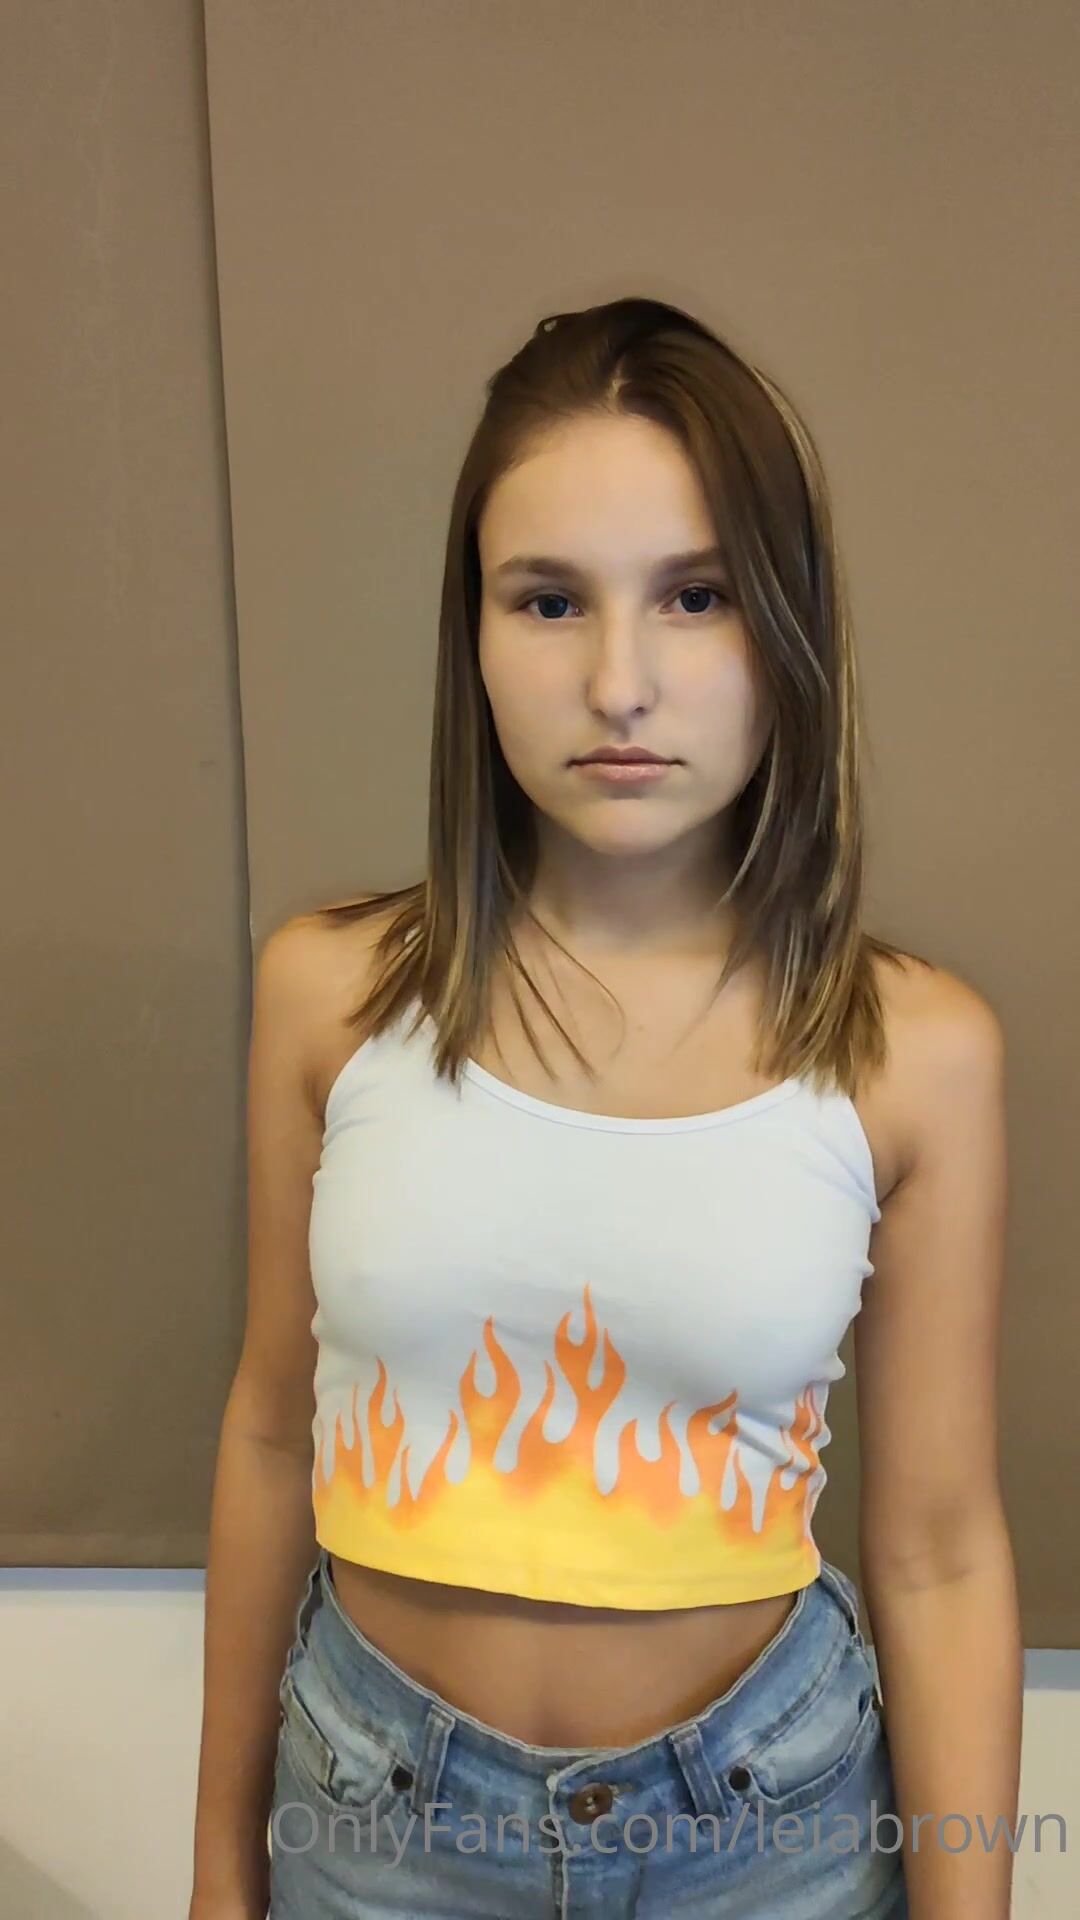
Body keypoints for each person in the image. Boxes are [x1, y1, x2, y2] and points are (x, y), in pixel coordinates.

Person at [188, 296, 1020, 1920]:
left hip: (769, 1839)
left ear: (788, 626)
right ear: (475, 634)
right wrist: (221, 1874)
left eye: (697, 596)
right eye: (550, 599)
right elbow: (274, 1431)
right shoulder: (327, 998)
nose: (619, 681)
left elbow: (942, 1553)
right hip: (372, 1827)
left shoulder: (912, 1053)